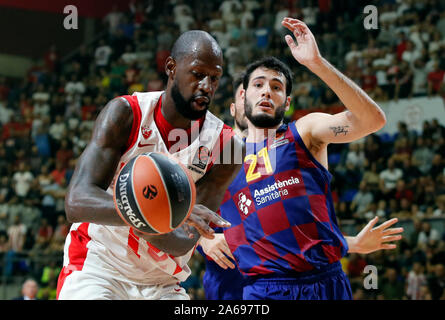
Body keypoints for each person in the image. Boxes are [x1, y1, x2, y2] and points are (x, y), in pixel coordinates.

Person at [219, 18, 403, 300]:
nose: (267, 90)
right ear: (243, 98)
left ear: (287, 103)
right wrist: (204, 242)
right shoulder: (223, 160)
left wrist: (316, 63)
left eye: (277, 87)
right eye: (258, 84)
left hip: (325, 282)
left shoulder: (304, 132)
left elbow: (373, 120)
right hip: (265, 290)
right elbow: (179, 208)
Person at [56, 30, 243, 300]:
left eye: (214, 78)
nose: (206, 86)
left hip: (163, 282)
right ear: (171, 67)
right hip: (98, 267)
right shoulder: (125, 114)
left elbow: (183, 242)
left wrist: (157, 214)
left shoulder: (228, 147)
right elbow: (76, 202)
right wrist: (163, 211)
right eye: (197, 74)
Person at [197, 75, 247, 300]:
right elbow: (180, 206)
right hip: (228, 284)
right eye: (246, 96)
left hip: (280, 280)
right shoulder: (207, 146)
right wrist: (202, 239)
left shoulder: (285, 152)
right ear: (234, 108)